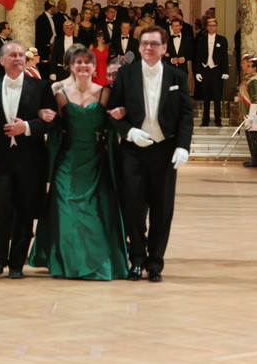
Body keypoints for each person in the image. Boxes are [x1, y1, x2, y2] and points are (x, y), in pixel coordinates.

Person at [29, 45, 129, 280]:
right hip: (68, 161)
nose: (83, 66)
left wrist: (123, 113)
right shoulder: (58, 91)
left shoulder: (105, 93)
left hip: (96, 162)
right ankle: (69, 262)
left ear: (94, 67)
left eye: (87, 62)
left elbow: (115, 123)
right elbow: (53, 123)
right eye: (78, 62)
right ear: (71, 66)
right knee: (66, 213)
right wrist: (41, 115)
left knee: (94, 214)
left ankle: (95, 261)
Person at [107, 25, 193, 282]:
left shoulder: (177, 76)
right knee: (133, 207)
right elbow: (113, 112)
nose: (148, 48)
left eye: (154, 44)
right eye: (144, 43)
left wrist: (183, 146)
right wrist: (130, 132)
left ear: (165, 48)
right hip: (134, 150)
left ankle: (155, 262)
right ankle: (136, 259)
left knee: (162, 209)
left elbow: (186, 115)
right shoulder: (126, 74)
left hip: (165, 150)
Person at [0, 40, 57, 279]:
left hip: (30, 160)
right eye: (13, 55)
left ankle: (16, 264)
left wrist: (28, 127)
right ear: (2, 60)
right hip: (0, 160)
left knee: (25, 211)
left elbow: (53, 122)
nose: (19, 59)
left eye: (21, 55)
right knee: (1, 211)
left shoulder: (41, 87)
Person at [193, 18, 229, 127]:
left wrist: (225, 71)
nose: (211, 27)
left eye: (213, 25)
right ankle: (205, 120)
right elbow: (197, 56)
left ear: (216, 27)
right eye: (209, 25)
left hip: (217, 70)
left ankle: (218, 119)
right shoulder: (201, 39)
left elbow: (224, 57)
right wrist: (197, 72)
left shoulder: (222, 40)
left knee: (217, 96)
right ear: (207, 27)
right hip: (205, 69)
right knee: (206, 96)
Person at [239, 55, 257, 169]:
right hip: (248, 112)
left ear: (254, 68)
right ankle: (254, 158)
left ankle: (256, 160)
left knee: (254, 137)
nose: (247, 68)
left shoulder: (255, 80)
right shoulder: (250, 79)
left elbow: (256, 99)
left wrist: (251, 116)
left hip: (254, 113)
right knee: (250, 136)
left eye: (249, 66)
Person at [35, 0, 57, 80]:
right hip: (44, 49)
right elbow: (40, 36)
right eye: (54, 7)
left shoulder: (53, 18)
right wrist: (49, 44)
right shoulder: (41, 19)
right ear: (52, 8)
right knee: (44, 71)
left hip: (51, 47)